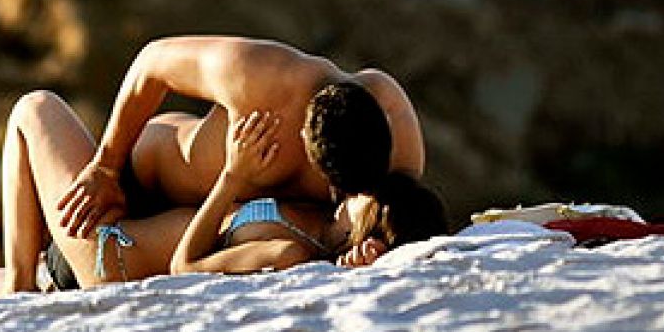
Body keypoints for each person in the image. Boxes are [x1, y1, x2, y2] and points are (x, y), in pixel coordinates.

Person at [0, 91, 445, 305]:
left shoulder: (290, 255)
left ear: (367, 234)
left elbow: (186, 264)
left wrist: (232, 181)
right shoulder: (313, 222)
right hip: (116, 239)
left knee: (34, 109)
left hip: (107, 252)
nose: (353, 191)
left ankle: (16, 286)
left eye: (365, 202)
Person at [55, 36, 426, 250]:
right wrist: (106, 165)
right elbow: (151, 63)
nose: (337, 200)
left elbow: (398, 231)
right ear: (304, 140)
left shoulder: (396, 133)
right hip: (140, 180)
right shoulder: (260, 75)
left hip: (199, 230)